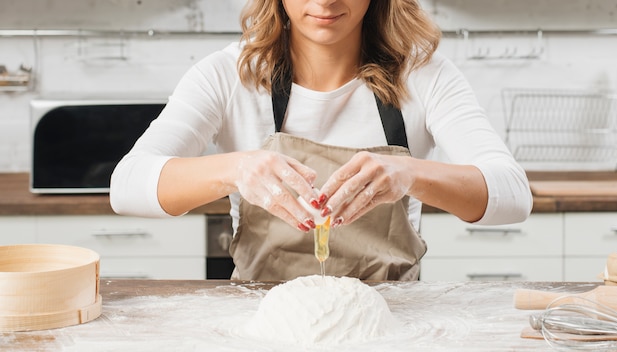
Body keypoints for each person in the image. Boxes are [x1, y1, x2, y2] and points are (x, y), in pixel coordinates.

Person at [110, 0, 533, 281]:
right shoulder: (226, 75)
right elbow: (126, 186)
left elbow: (513, 195)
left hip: (394, 321)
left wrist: (411, 173)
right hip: (261, 320)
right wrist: (235, 169)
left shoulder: (424, 75)